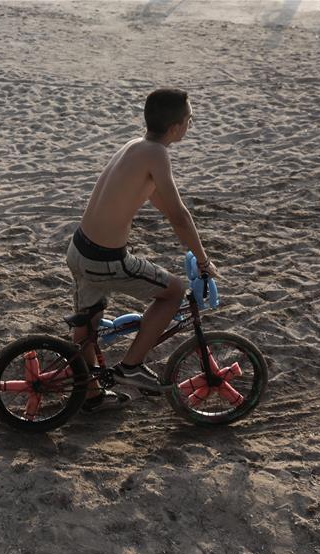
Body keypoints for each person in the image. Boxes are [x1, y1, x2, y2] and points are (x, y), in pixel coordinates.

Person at [67, 88, 219, 406]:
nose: (190, 124)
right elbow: (179, 215)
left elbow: (158, 201)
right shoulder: (158, 154)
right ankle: (132, 365)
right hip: (106, 259)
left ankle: (90, 394)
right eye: (190, 119)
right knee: (173, 291)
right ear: (177, 128)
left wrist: (182, 230)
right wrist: (203, 260)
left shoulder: (135, 146)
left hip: (79, 249)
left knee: (88, 325)